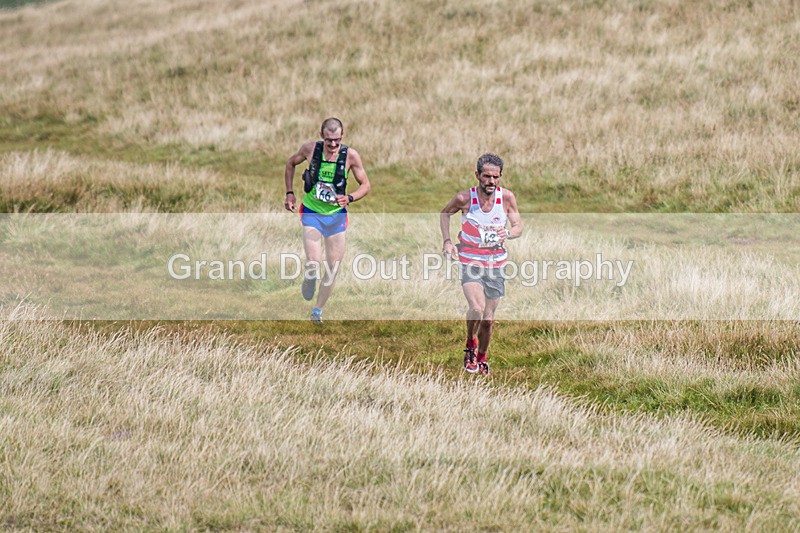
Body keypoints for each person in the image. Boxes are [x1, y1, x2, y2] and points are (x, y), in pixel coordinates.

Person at [440, 153, 522, 375]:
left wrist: (506, 233)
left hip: (496, 263)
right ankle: (470, 345)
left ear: (500, 177)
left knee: (488, 320)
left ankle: (483, 357)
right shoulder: (464, 199)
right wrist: (447, 242)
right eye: (486, 176)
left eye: (495, 177)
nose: (491, 182)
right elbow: (445, 214)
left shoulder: (506, 198)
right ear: (477, 175)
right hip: (470, 260)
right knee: (476, 308)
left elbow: (517, 227)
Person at [284, 118, 371, 322]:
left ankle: (317, 310)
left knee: (333, 268)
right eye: (329, 140)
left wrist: (350, 197)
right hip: (312, 212)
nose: (332, 145)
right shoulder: (309, 149)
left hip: (336, 216)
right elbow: (290, 163)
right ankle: (309, 278)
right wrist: (289, 193)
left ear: (343, 136)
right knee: (314, 263)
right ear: (322, 135)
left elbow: (365, 185)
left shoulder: (350, 155)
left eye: (337, 141)